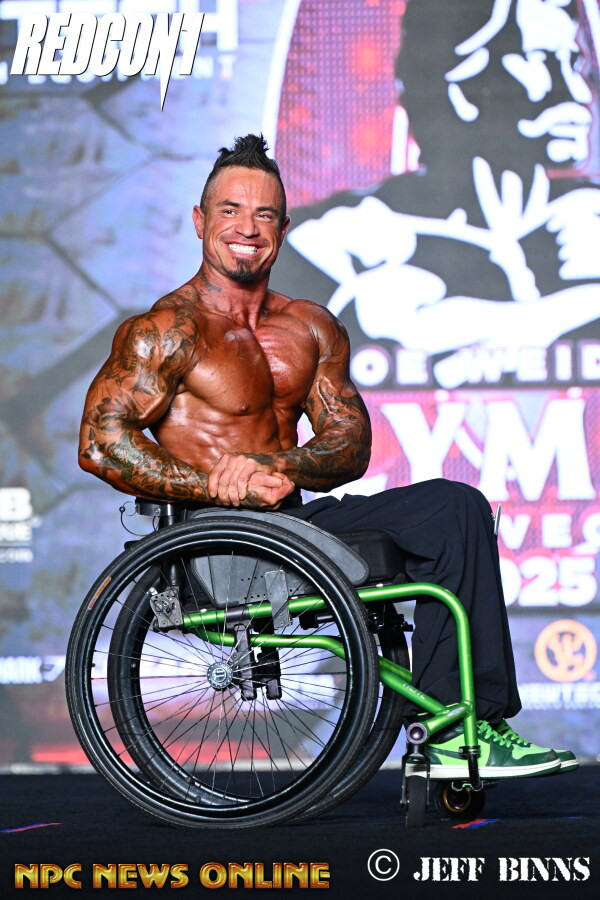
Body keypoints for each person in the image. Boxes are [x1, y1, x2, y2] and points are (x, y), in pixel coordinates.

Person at [79, 133, 576, 779]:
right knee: (437, 518)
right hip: (217, 543)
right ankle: (458, 732)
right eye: (230, 210)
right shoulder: (167, 331)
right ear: (200, 220)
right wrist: (214, 483)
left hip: (294, 529)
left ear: (283, 228)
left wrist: (277, 467)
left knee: (455, 508)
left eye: (264, 214)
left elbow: (350, 442)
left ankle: (459, 728)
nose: (247, 228)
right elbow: (101, 441)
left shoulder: (310, 326)